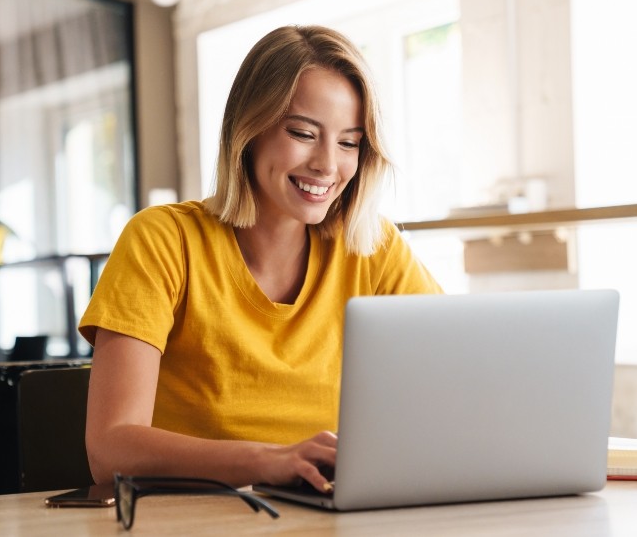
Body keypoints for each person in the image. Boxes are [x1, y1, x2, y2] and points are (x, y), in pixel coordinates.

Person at [78, 25, 442, 494]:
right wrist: (268, 460)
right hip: (195, 520)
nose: (328, 165)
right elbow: (110, 452)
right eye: (303, 133)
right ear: (248, 130)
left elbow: (454, 385)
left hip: (325, 518)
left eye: (349, 142)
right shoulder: (163, 240)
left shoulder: (372, 248)